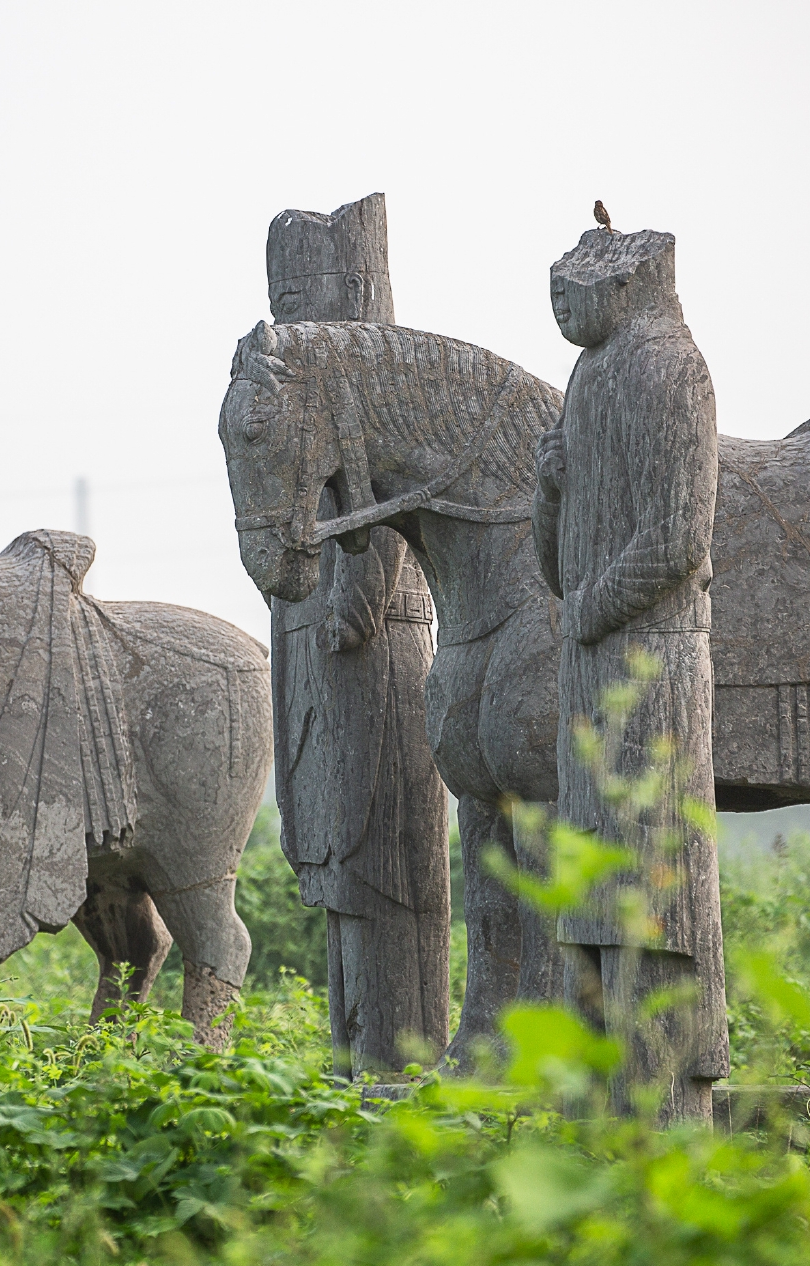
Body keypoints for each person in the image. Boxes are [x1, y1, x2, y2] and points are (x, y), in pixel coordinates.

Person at [533, 227, 728, 1121]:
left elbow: (680, 539)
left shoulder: (668, 369)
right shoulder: (591, 375)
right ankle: (607, 1083)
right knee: (593, 888)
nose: (560, 302)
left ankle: (662, 1089)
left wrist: (590, 608)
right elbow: (557, 566)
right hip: (591, 657)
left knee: (652, 875)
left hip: (652, 660)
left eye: (576, 289)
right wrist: (552, 493)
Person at [266, 194, 451, 1075]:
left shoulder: (382, 391)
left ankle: (397, 1051)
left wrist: (355, 600)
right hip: (314, 650)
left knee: (386, 863)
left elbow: (384, 521)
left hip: (373, 650)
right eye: (282, 304)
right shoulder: (307, 404)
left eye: (305, 300)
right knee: (338, 869)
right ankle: (350, 1048)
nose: (292, 323)